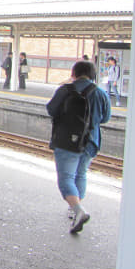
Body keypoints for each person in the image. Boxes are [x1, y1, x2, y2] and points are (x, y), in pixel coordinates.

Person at [46, 60, 111, 234]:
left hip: (67, 141)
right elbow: (105, 118)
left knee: (66, 177)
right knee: (81, 173)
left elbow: (51, 110)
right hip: (90, 141)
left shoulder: (65, 90)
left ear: (73, 73)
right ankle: (75, 207)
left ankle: (78, 210)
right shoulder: (100, 93)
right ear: (92, 75)